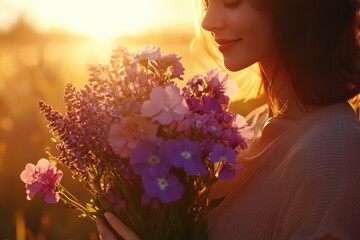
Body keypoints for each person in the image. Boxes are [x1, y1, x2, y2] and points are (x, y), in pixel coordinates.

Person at [97, 0, 360, 239]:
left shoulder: (333, 149)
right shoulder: (254, 124)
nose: (207, 22)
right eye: (208, 2)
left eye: (231, 2)